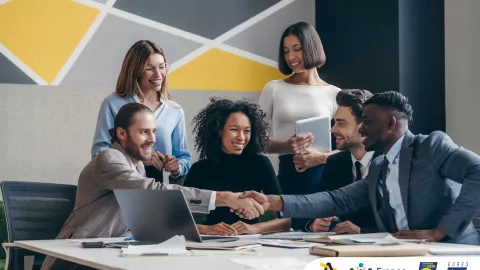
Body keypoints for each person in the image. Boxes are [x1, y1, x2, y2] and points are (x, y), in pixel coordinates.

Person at [41, 103, 265, 270]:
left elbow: (150, 222)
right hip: (75, 258)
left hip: (109, 254)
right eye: (143, 132)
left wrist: (206, 230)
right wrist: (225, 197)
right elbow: (155, 193)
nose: (151, 139)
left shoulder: (136, 167)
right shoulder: (108, 158)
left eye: (153, 132)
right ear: (121, 133)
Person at [240, 91, 480, 245]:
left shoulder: (430, 147)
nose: (362, 129)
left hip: (452, 251)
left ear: (390, 123)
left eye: (367, 122)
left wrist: (440, 231)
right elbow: (336, 200)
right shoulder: (379, 167)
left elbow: (477, 171)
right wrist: (273, 202)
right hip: (405, 254)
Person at [184, 98, 290, 235]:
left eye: (247, 131)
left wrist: (255, 228)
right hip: (211, 242)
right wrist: (207, 229)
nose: (241, 137)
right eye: (234, 129)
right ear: (219, 131)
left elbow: (287, 220)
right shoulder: (199, 169)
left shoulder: (260, 164)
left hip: (252, 243)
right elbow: (178, 220)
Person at [258, 21, 340, 195]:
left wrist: (323, 157)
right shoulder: (273, 88)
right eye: (286, 51)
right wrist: (287, 146)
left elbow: (353, 147)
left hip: (325, 179)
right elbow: (255, 142)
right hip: (288, 177)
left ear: (312, 47)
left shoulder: (334, 93)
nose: (291, 57)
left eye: (297, 49)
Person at [91, 40, 190, 183]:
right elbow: (98, 155)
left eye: (162, 67)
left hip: (157, 186)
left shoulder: (175, 111)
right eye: (149, 68)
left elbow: (184, 158)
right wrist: (140, 158)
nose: (158, 74)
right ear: (135, 70)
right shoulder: (112, 104)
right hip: (120, 183)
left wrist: (177, 167)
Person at [292, 89, 378, 234]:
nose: (332, 130)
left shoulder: (389, 162)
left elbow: (402, 224)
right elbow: (315, 207)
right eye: (334, 123)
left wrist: (362, 231)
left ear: (364, 125)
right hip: (342, 250)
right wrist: (313, 223)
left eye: (341, 124)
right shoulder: (336, 163)